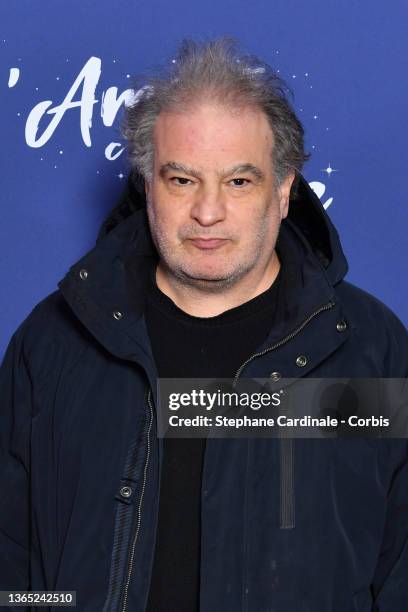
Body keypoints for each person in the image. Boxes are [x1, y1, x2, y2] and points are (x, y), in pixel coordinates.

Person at [0, 38, 407, 612]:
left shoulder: (373, 352)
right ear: (148, 189)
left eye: (239, 182)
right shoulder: (55, 342)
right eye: (182, 180)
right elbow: (13, 565)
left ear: (285, 191)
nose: (207, 212)